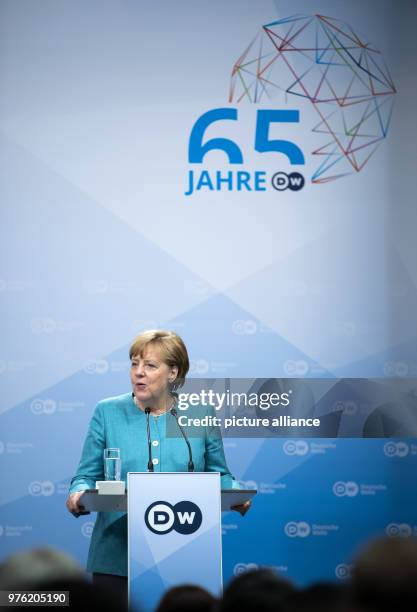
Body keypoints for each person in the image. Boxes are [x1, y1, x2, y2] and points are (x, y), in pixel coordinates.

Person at [66, 330, 249, 594]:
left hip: (184, 554)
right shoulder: (107, 412)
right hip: (117, 559)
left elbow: (219, 474)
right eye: (134, 363)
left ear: (173, 373)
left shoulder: (199, 413)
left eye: (150, 365)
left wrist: (236, 492)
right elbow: (85, 476)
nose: (138, 372)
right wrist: (78, 494)